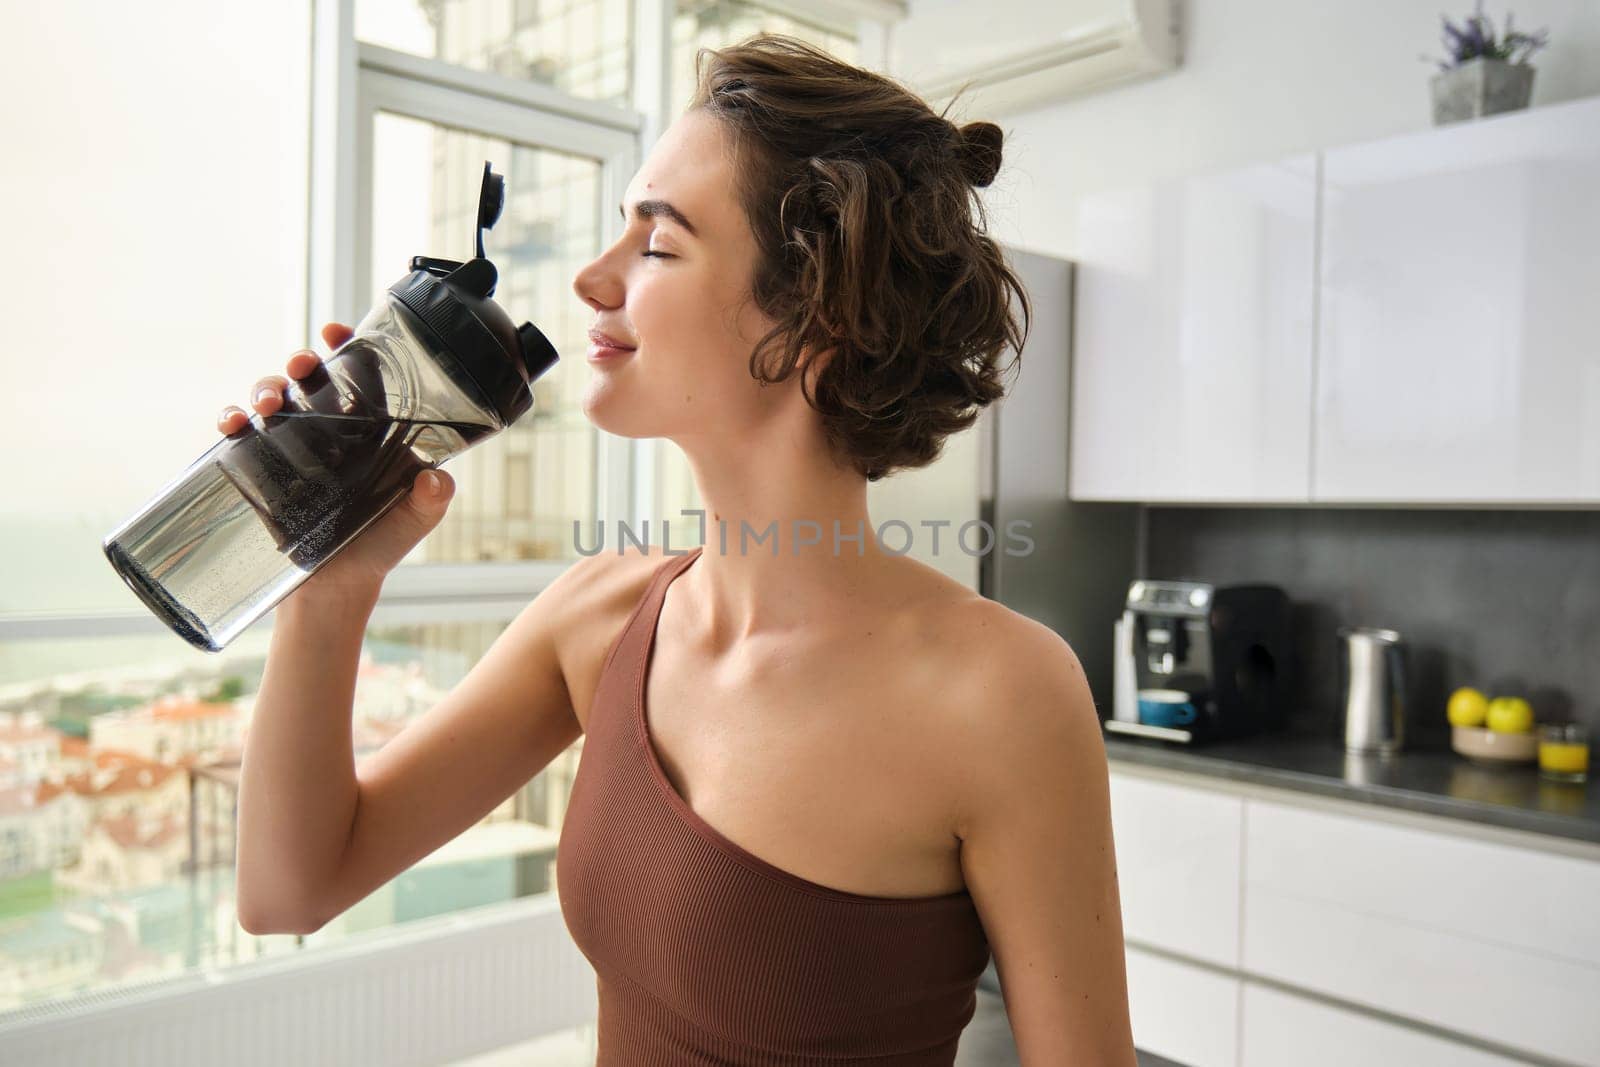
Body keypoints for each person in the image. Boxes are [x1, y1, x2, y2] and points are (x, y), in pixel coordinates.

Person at [229, 32, 1135, 1067]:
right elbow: (287, 886)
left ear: (811, 319)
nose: (590, 278)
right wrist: (327, 587)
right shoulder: (600, 619)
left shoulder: (1001, 692)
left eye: (656, 245)